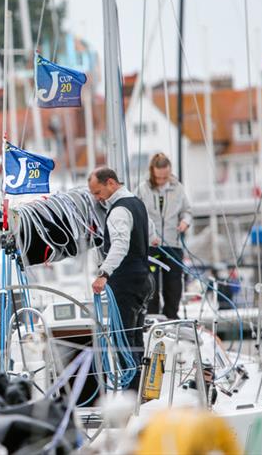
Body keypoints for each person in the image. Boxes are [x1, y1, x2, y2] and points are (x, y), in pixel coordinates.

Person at [88, 167, 153, 391]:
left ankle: (130, 393)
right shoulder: (137, 204)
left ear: (111, 184)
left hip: (125, 281)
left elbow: (120, 244)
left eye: (98, 192)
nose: (97, 198)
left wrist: (103, 273)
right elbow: (150, 232)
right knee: (135, 339)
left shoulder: (118, 210)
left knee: (123, 340)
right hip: (144, 278)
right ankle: (141, 391)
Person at [136, 153, 192, 319]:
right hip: (150, 246)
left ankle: (172, 316)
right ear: (153, 172)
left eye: (165, 177)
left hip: (172, 244)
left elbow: (187, 211)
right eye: (158, 177)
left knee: (173, 285)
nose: (161, 181)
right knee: (150, 283)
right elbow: (135, 213)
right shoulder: (142, 189)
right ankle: (153, 317)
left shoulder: (178, 188)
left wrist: (185, 222)